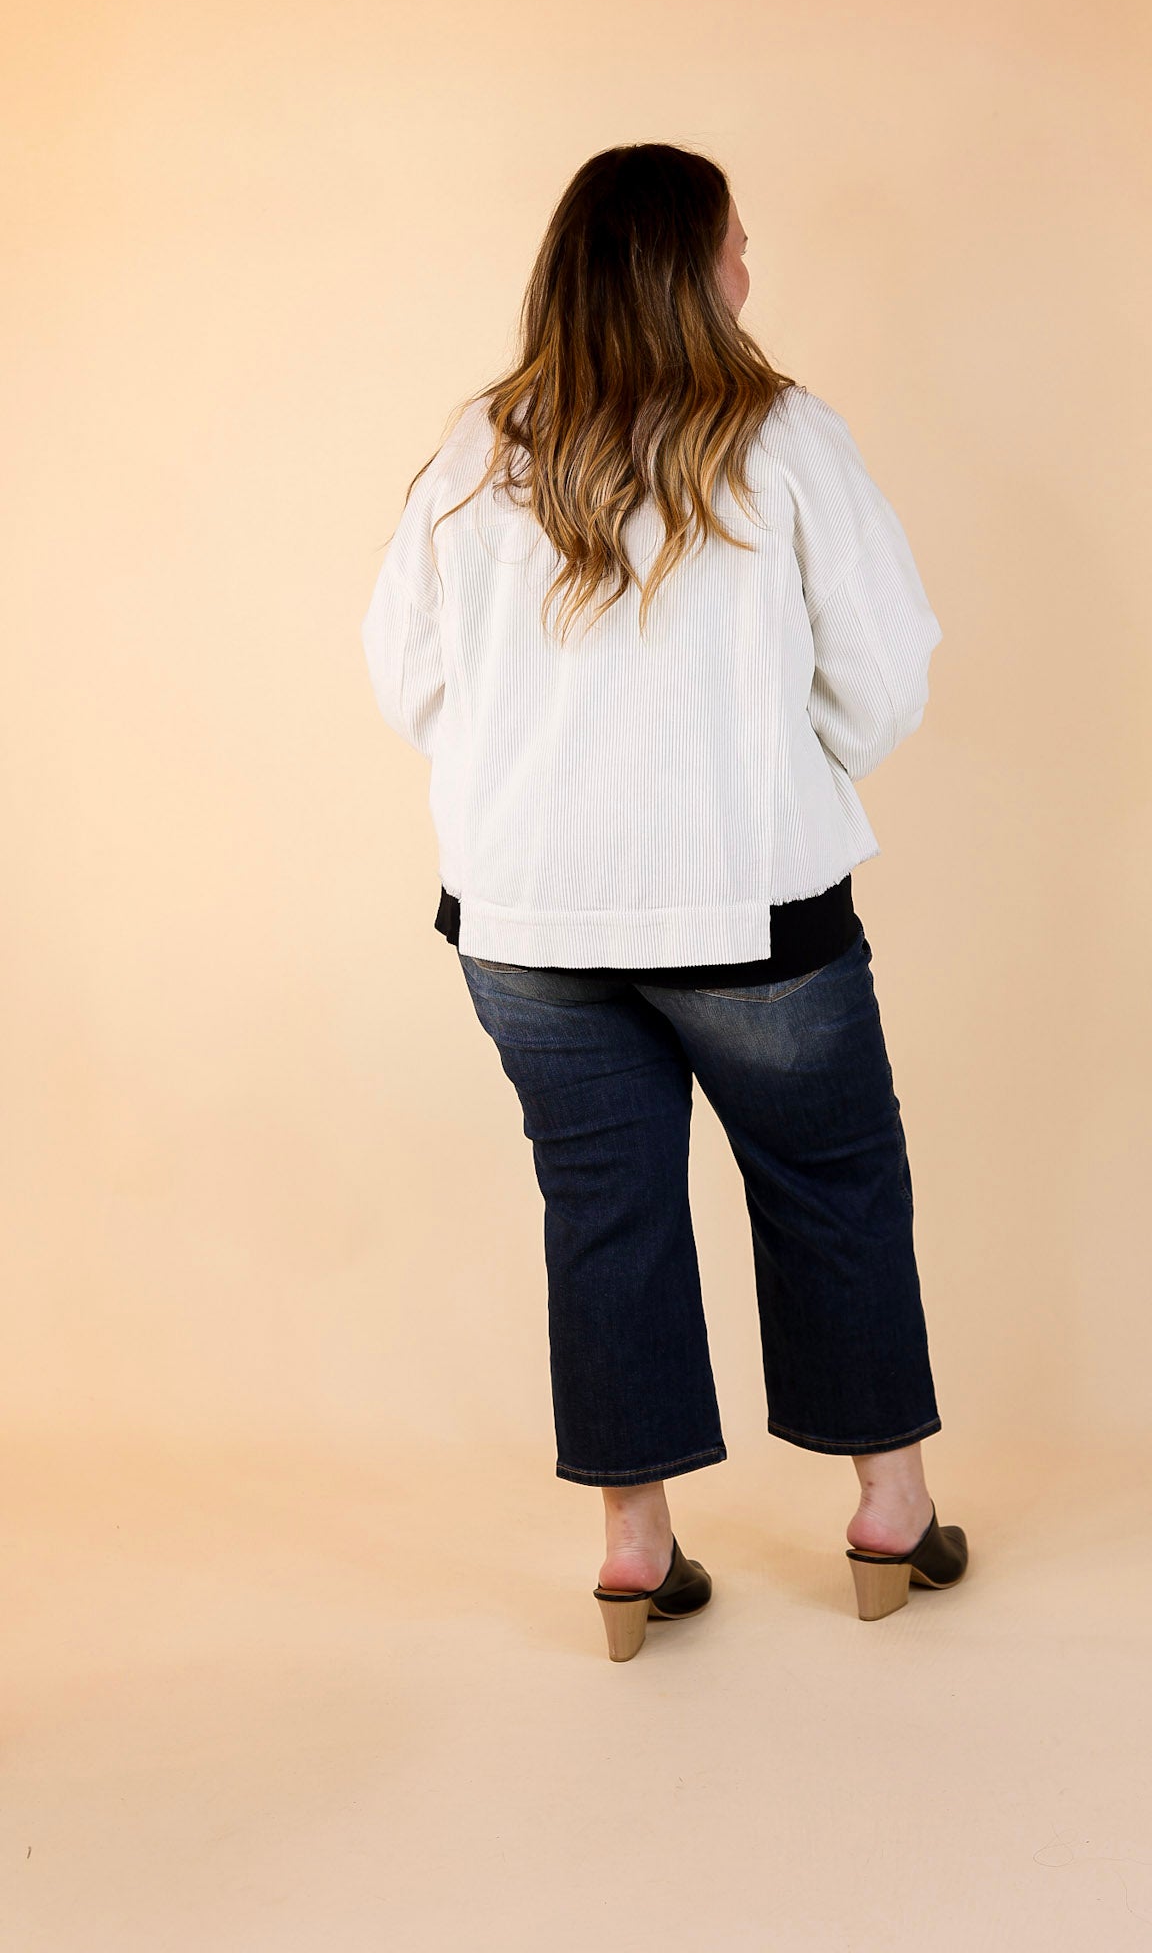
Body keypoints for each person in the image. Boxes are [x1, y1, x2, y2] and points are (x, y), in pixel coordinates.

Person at [361, 142, 969, 1660]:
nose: (751, 267)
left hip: (518, 914)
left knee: (602, 1213)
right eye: (736, 244)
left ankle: (635, 1552)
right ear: (691, 269)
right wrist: (770, 770)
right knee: (830, 1189)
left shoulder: (477, 449)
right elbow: (884, 671)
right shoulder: (783, 438)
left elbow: (407, 677)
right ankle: (888, 1512)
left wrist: (533, 788)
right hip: (745, 899)